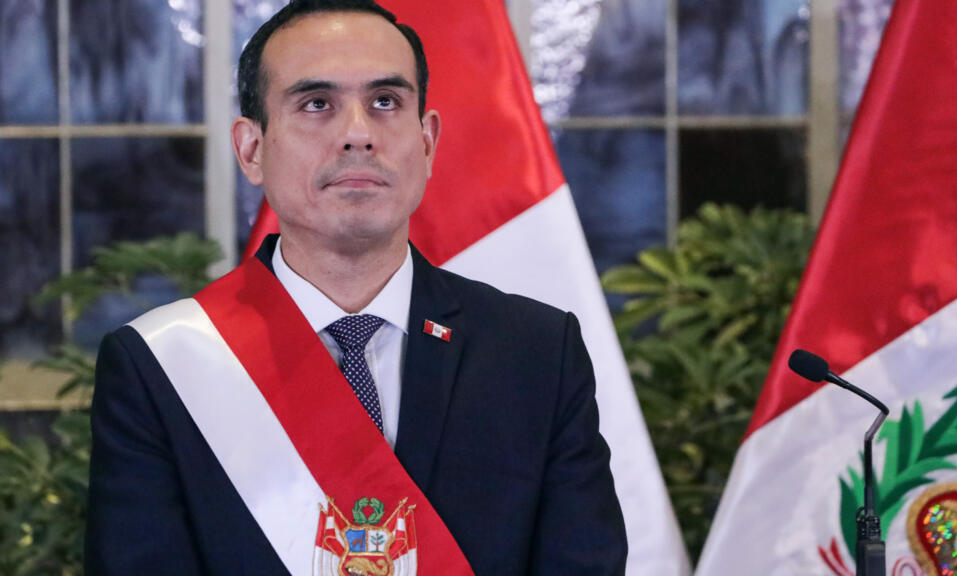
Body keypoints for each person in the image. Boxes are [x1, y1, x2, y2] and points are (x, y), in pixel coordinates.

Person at [84, 1, 627, 574]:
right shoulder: (161, 366)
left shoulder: (537, 352)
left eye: (385, 101)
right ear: (251, 149)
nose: (358, 134)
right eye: (317, 104)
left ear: (427, 142)